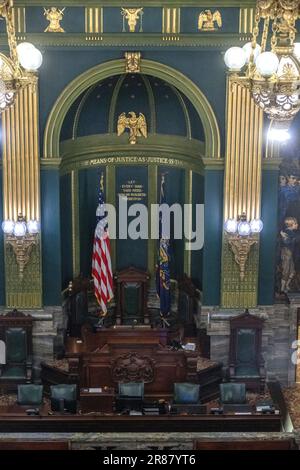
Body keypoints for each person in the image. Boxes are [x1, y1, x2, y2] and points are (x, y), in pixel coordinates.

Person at [280, 217, 300, 293]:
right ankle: (282, 288)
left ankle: (286, 286)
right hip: (286, 253)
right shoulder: (287, 232)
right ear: (291, 225)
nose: (297, 225)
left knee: (292, 271)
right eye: (295, 223)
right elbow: (287, 242)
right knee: (286, 271)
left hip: (290, 254)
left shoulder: (290, 233)